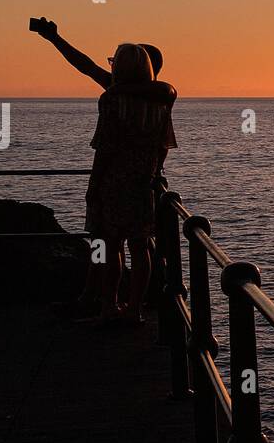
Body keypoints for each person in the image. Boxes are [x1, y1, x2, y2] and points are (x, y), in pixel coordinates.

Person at [33, 20, 176, 323]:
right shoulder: (161, 104)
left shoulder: (113, 98)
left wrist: (93, 187)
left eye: (113, 62)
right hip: (145, 182)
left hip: (115, 182)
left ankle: (108, 306)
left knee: (110, 246)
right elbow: (163, 145)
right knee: (141, 248)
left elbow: (105, 149)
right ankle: (134, 310)